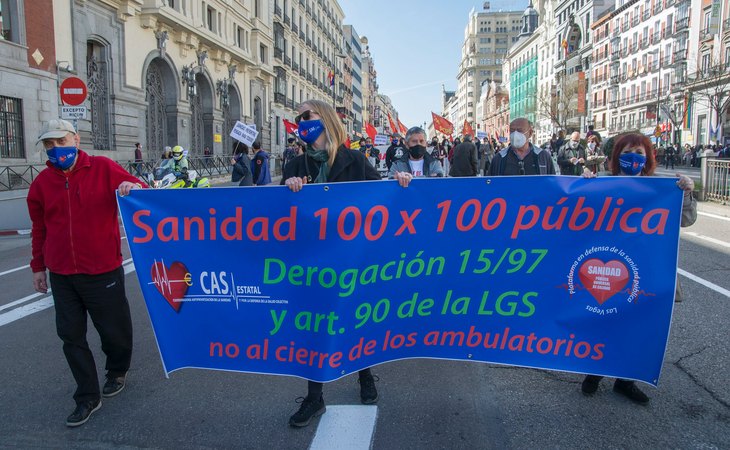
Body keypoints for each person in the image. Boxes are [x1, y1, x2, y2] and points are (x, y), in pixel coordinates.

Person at [27, 119, 147, 427]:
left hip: (102, 269)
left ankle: (117, 370)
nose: (56, 150)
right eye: (49, 145)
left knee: (114, 331)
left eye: (61, 142)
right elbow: (39, 229)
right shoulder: (40, 184)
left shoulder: (103, 168)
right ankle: (87, 397)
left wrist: (131, 187)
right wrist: (38, 267)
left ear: (76, 140)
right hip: (62, 274)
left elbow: (144, 191)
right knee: (70, 335)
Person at [282, 99, 381, 428]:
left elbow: (382, 198)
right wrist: (287, 192)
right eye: (299, 118)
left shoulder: (355, 160)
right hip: (312, 263)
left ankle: (365, 376)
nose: (301, 121)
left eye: (306, 116)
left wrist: (403, 184)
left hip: (352, 258)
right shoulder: (297, 167)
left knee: (357, 318)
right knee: (315, 327)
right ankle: (314, 397)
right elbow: (280, 215)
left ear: (324, 119)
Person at [580, 132, 695, 404]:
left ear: (648, 158)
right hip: (607, 270)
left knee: (636, 326)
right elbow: (576, 214)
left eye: (640, 153)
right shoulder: (603, 183)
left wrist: (687, 193)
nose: (634, 157)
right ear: (617, 156)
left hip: (645, 271)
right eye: (628, 151)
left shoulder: (663, 189)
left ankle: (625, 380)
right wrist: (583, 185)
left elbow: (686, 219)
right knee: (604, 320)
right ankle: (594, 372)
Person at [488, 118, 556, 176]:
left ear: (530, 133)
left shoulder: (543, 156)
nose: (515, 134)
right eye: (512, 130)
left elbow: (552, 184)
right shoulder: (499, 158)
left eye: (520, 130)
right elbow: (490, 186)